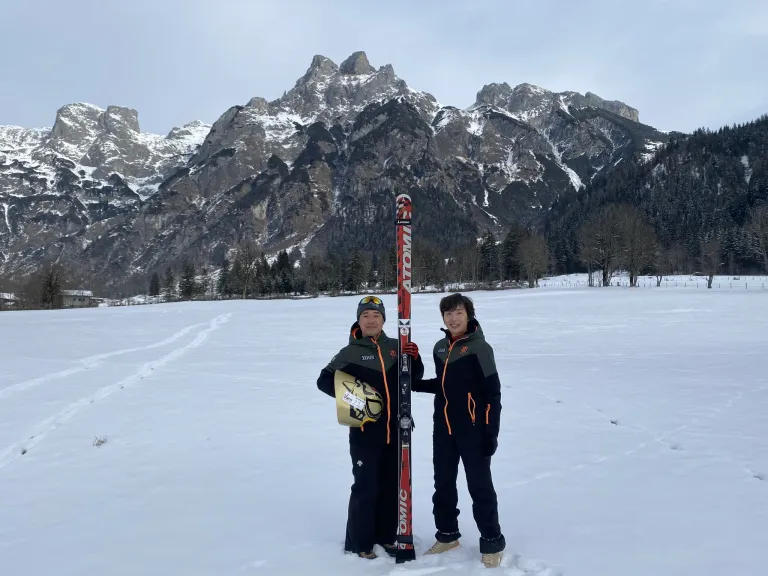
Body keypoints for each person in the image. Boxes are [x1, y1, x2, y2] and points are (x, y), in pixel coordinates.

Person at [316, 295, 424, 559]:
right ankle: (360, 542)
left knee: (391, 486)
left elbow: (414, 379)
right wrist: (355, 398)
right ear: (359, 320)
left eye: (376, 315)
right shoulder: (350, 352)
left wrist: (416, 359)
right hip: (365, 433)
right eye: (366, 315)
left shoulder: (396, 347)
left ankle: (387, 536)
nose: (371, 320)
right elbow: (324, 380)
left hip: (397, 431)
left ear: (383, 319)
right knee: (365, 487)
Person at [413, 293, 506, 568]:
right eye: (448, 313)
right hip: (443, 428)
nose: (453, 318)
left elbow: (493, 393)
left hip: (473, 429)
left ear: (469, 315)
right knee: (442, 483)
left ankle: (491, 540)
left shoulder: (480, 348)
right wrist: (413, 383)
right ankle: (447, 535)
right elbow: (443, 386)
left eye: (458, 313)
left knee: (479, 486)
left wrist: (491, 431)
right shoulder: (440, 348)